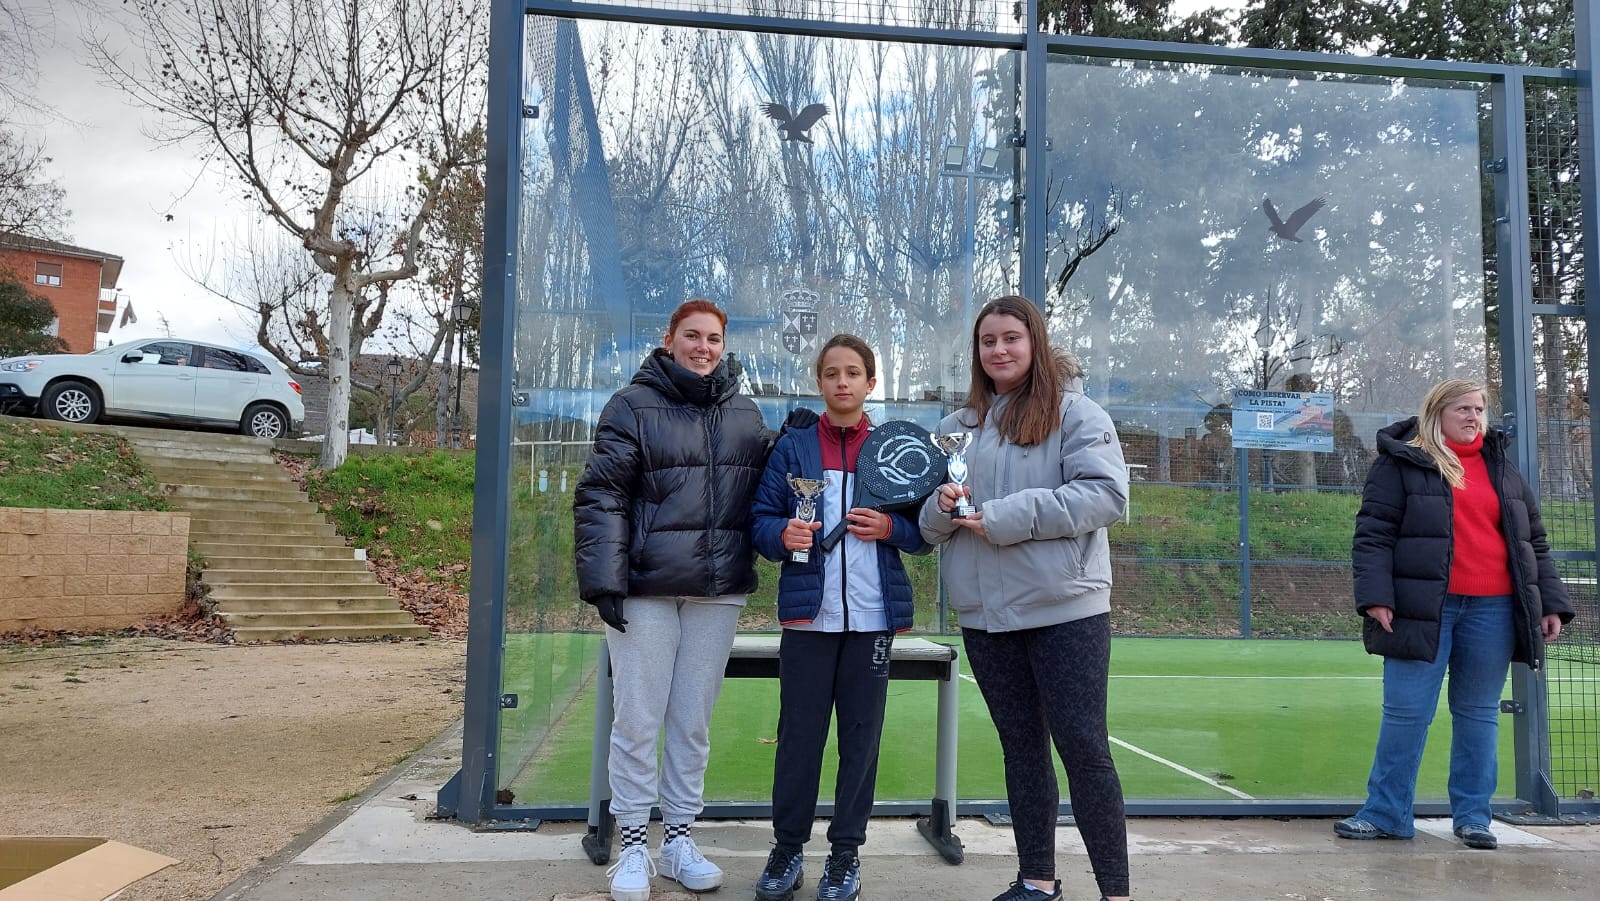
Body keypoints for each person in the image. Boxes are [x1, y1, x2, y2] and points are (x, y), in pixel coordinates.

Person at [918, 296, 1132, 901]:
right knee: (1021, 751)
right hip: (986, 617)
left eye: (1011, 337)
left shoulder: (1077, 413)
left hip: (1065, 609)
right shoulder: (956, 429)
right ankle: (1037, 880)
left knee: (1084, 749)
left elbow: (1106, 497)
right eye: (988, 341)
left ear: (1034, 342)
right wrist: (941, 508)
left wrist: (1006, 516)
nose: (999, 350)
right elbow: (929, 528)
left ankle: (1115, 892)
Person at [574, 299, 772, 901]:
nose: (703, 347)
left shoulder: (744, 411)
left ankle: (679, 839)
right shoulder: (631, 406)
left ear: (723, 346)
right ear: (669, 340)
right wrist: (604, 580)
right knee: (638, 719)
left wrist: (793, 442)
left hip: (717, 592)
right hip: (646, 588)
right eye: (692, 335)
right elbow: (602, 494)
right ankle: (633, 845)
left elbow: (762, 487)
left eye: (713, 339)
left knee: (692, 722)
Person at [1335, 378, 1573, 849]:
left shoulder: (1502, 468)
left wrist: (1551, 603)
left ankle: (1473, 819)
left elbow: (1533, 543)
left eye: (1479, 409)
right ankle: (1386, 814)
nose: (1473, 417)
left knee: (1479, 714)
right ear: (1437, 412)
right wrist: (1376, 596)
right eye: (1463, 408)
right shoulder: (1400, 464)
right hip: (1421, 609)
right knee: (1406, 713)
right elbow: (1373, 536)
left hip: (1494, 611)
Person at [749, 334, 931, 901]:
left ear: (871, 383)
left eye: (853, 373)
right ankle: (787, 850)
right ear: (820, 382)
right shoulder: (794, 448)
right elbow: (760, 519)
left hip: (872, 622)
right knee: (798, 740)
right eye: (832, 373)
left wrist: (890, 528)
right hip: (809, 621)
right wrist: (781, 535)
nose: (842, 382)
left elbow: (925, 532)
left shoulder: (894, 448)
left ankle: (845, 855)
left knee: (860, 742)